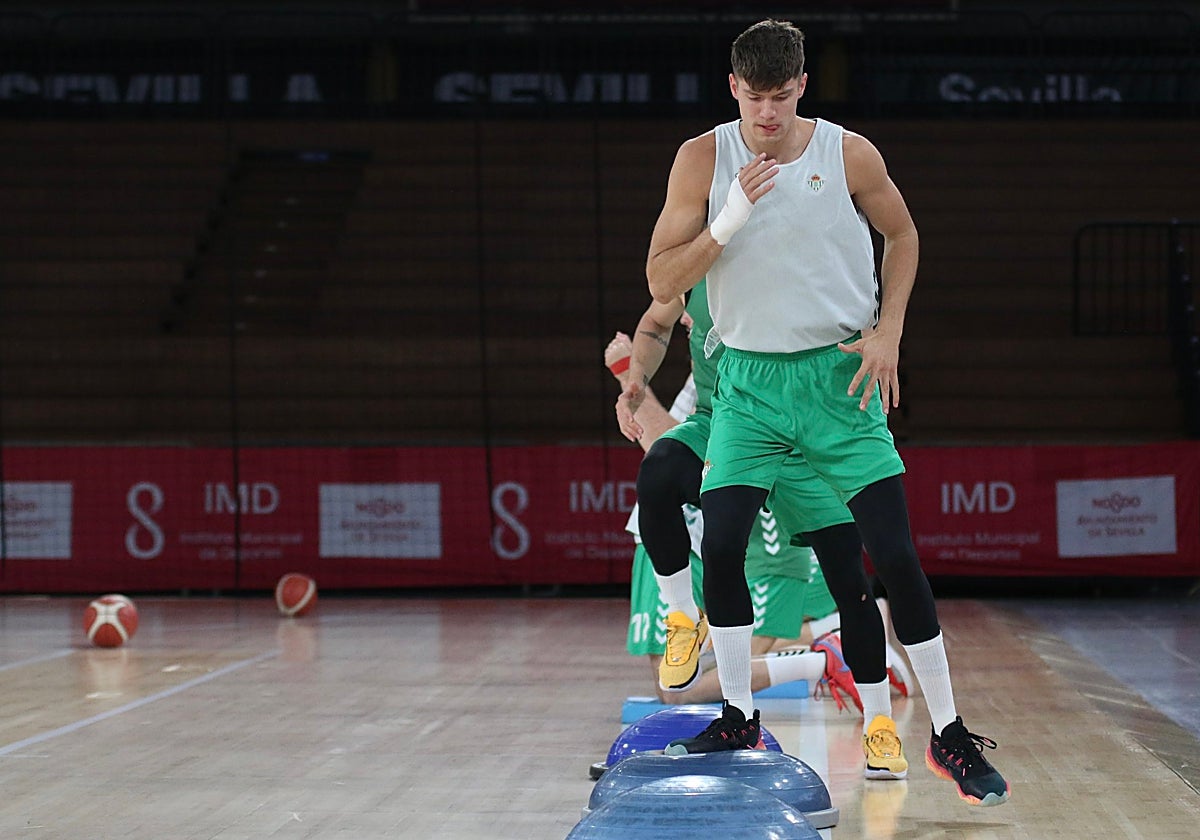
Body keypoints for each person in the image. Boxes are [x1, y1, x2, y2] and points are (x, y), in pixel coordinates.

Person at [637, 19, 1009, 806]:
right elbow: (661, 278)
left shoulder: (850, 153)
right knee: (727, 543)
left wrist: (891, 331)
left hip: (839, 382)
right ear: (731, 87)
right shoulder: (702, 159)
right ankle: (738, 714)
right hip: (747, 388)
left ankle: (947, 733)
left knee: (894, 558)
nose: (766, 115)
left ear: (802, 85)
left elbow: (902, 232)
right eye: (753, 97)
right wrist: (727, 220)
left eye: (780, 97)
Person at [605, 329, 872, 710]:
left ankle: (822, 657)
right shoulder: (716, 362)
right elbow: (672, 455)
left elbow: (663, 444)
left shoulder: (742, 364)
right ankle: (822, 647)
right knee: (692, 677)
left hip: (712, 541)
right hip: (685, 541)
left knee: (682, 688)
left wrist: (623, 372)